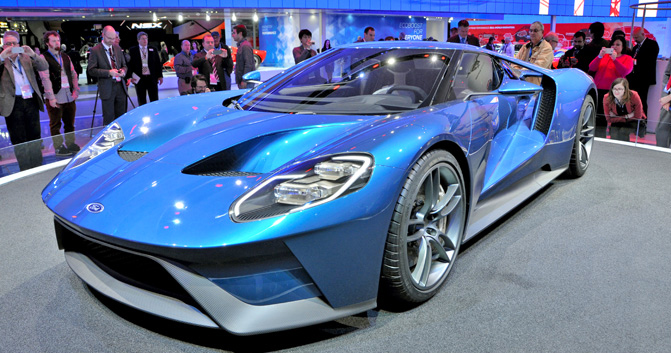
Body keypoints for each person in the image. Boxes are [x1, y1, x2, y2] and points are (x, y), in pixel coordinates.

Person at [0, 30, 50, 171]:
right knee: (19, 139)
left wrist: (33, 54)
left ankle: (37, 167)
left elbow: (44, 66)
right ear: (3, 46)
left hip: (30, 101)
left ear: (19, 44)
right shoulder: (2, 60)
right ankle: (25, 169)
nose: (11, 46)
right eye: (7, 44)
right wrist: (2, 58)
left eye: (14, 43)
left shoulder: (26, 58)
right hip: (13, 103)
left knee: (34, 136)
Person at [40, 31, 81, 156]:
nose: (57, 43)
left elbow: (73, 74)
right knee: (55, 124)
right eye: (53, 41)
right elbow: (45, 79)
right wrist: (51, 98)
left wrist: (76, 90)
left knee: (70, 123)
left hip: (69, 94)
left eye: (58, 40)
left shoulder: (65, 57)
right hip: (55, 96)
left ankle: (70, 143)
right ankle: (58, 146)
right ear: (47, 43)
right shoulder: (43, 58)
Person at [87, 25, 128, 125]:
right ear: (103, 35)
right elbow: (91, 70)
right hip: (107, 88)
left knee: (122, 117)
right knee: (109, 118)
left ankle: (121, 139)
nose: (112, 41)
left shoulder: (117, 48)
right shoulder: (95, 50)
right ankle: (110, 139)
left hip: (121, 87)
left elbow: (124, 65)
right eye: (109, 38)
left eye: (114, 38)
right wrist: (108, 73)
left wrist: (123, 71)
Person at [589, 36, 633, 121]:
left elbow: (625, 71)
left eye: (618, 44)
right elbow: (591, 67)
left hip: (615, 91)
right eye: (613, 44)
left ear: (623, 46)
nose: (614, 46)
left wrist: (615, 59)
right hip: (599, 89)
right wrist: (599, 56)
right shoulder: (604, 57)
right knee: (598, 116)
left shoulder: (627, 58)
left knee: (611, 117)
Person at [626, 27, 659, 118]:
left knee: (642, 99)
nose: (635, 39)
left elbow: (649, 61)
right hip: (634, 77)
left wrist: (636, 62)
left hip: (644, 78)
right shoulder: (636, 47)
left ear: (643, 34)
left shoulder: (652, 44)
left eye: (636, 37)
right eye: (634, 37)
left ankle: (643, 120)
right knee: (633, 99)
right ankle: (634, 118)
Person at [126, 31, 163, 106]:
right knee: (142, 100)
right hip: (140, 79)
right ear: (138, 40)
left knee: (154, 99)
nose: (145, 40)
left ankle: (155, 114)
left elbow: (158, 64)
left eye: (146, 38)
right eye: (143, 39)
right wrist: (130, 77)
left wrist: (160, 76)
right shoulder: (133, 50)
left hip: (152, 78)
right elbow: (130, 65)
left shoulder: (153, 49)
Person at [515, 21, 553, 85]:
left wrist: (519, 73)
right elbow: (515, 63)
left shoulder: (546, 48)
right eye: (531, 31)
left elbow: (537, 67)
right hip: (521, 84)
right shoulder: (525, 46)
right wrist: (516, 73)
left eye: (535, 31)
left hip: (536, 87)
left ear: (542, 32)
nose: (532, 33)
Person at [232, 24, 254, 89]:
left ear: (240, 33)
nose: (232, 35)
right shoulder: (242, 45)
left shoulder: (245, 46)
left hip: (246, 82)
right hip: (244, 80)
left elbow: (248, 64)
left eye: (234, 33)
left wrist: (244, 80)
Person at [656, 61, 671, 148]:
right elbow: (667, 74)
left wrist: (669, 98)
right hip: (668, 104)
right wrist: (666, 96)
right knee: (661, 132)